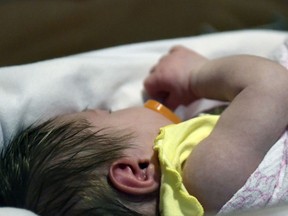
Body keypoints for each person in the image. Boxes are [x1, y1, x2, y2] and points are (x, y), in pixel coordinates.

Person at [0, 46, 288, 216]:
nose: (121, 107)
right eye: (109, 113)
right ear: (136, 172)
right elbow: (275, 87)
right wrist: (195, 75)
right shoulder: (204, 179)